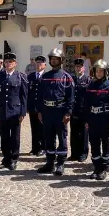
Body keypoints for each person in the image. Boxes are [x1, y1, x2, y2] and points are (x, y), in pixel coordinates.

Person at [37, 48, 75, 176]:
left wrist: (68, 112)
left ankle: (60, 164)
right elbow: (40, 95)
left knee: (62, 138)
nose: (54, 60)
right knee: (48, 138)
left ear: (61, 60)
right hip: (47, 112)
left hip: (60, 112)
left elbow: (71, 97)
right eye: (52, 58)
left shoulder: (67, 77)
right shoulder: (45, 77)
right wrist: (40, 111)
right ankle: (49, 163)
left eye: (56, 58)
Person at [84, 59, 109, 180]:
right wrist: (87, 120)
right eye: (97, 71)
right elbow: (86, 105)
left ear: (106, 72)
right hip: (93, 119)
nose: (99, 73)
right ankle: (96, 167)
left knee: (105, 144)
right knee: (94, 144)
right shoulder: (91, 86)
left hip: (105, 119)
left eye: (101, 71)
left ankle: (103, 168)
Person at [0, 52, 28, 170]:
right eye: (6, 62)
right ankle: (6, 158)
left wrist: (23, 112)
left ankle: (14, 159)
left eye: (10, 62)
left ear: (15, 64)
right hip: (2, 111)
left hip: (15, 111)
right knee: (4, 136)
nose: (8, 64)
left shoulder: (21, 77)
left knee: (15, 137)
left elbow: (24, 96)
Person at [69, 58, 93, 162]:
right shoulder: (72, 79)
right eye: (77, 66)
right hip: (74, 110)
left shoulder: (88, 80)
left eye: (80, 66)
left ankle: (83, 153)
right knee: (74, 133)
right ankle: (74, 153)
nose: (78, 68)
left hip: (84, 111)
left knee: (84, 134)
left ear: (84, 68)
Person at [27, 55, 46, 156]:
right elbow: (28, 92)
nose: (38, 65)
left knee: (42, 128)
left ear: (44, 65)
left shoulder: (46, 77)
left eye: (40, 63)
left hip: (42, 108)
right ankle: (35, 147)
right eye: (37, 63)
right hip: (32, 106)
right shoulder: (30, 76)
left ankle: (43, 147)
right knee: (33, 128)